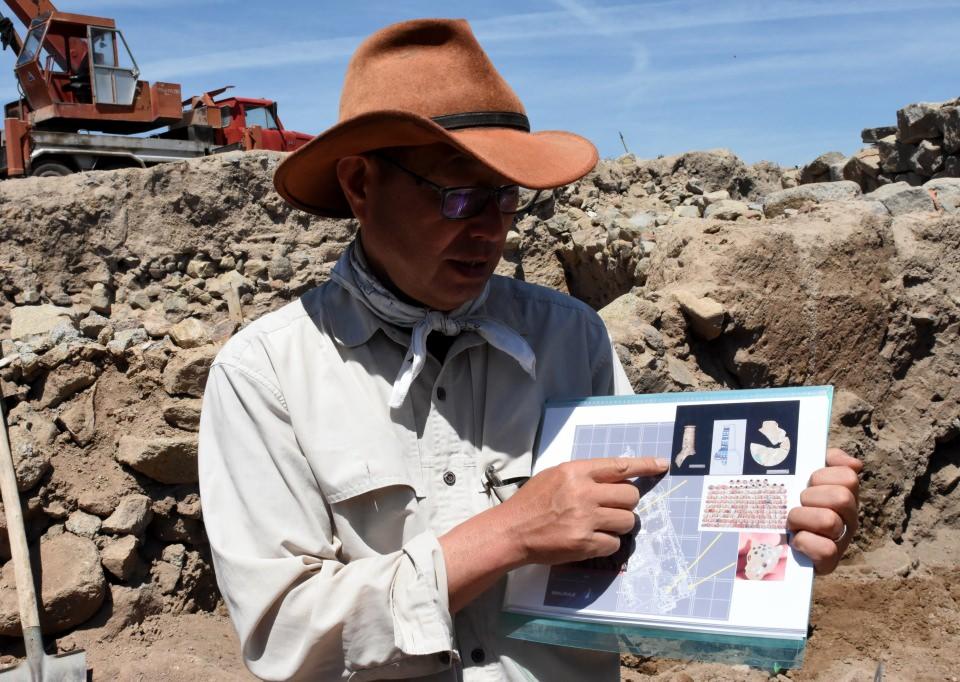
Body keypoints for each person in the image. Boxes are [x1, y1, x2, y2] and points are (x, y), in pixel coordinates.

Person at [198, 18, 862, 681]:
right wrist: (507, 536)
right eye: (458, 196)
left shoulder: (572, 337)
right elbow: (284, 634)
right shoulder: (266, 376)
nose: (491, 230)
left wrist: (781, 538)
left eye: (506, 196)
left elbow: (657, 543)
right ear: (360, 185)